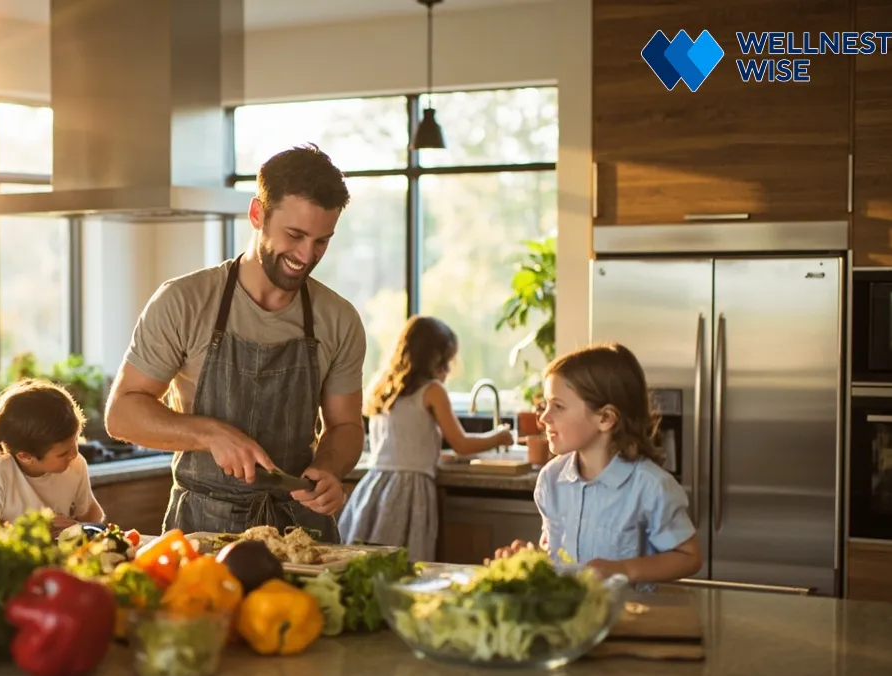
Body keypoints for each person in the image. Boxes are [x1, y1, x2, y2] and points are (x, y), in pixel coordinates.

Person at [105, 144, 367, 539]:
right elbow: (121, 414)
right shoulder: (184, 302)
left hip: (301, 533)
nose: (306, 255)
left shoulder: (338, 319)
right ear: (257, 214)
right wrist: (210, 433)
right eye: (294, 235)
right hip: (202, 532)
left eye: (321, 241)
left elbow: (346, 425)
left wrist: (330, 468)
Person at [496, 343, 703, 584]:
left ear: (605, 418)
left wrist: (623, 569)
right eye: (546, 404)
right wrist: (532, 559)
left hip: (634, 616)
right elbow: (558, 557)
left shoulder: (651, 486)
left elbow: (689, 558)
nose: (543, 417)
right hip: (573, 617)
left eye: (558, 406)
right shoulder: (551, 479)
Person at [339, 316, 515, 561]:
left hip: (375, 487)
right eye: (447, 360)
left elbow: (403, 445)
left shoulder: (386, 388)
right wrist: (499, 436)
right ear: (436, 359)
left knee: (369, 562)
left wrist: (436, 454)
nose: (449, 370)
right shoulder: (432, 390)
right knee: (407, 565)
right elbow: (462, 444)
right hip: (409, 491)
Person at [0, 379, 105, 531]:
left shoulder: (76, 465)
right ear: (25, 456)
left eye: (75, 441)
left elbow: (90, 514)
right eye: (63, 453)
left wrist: (81, 527)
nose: (74, 453)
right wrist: (35, 530)